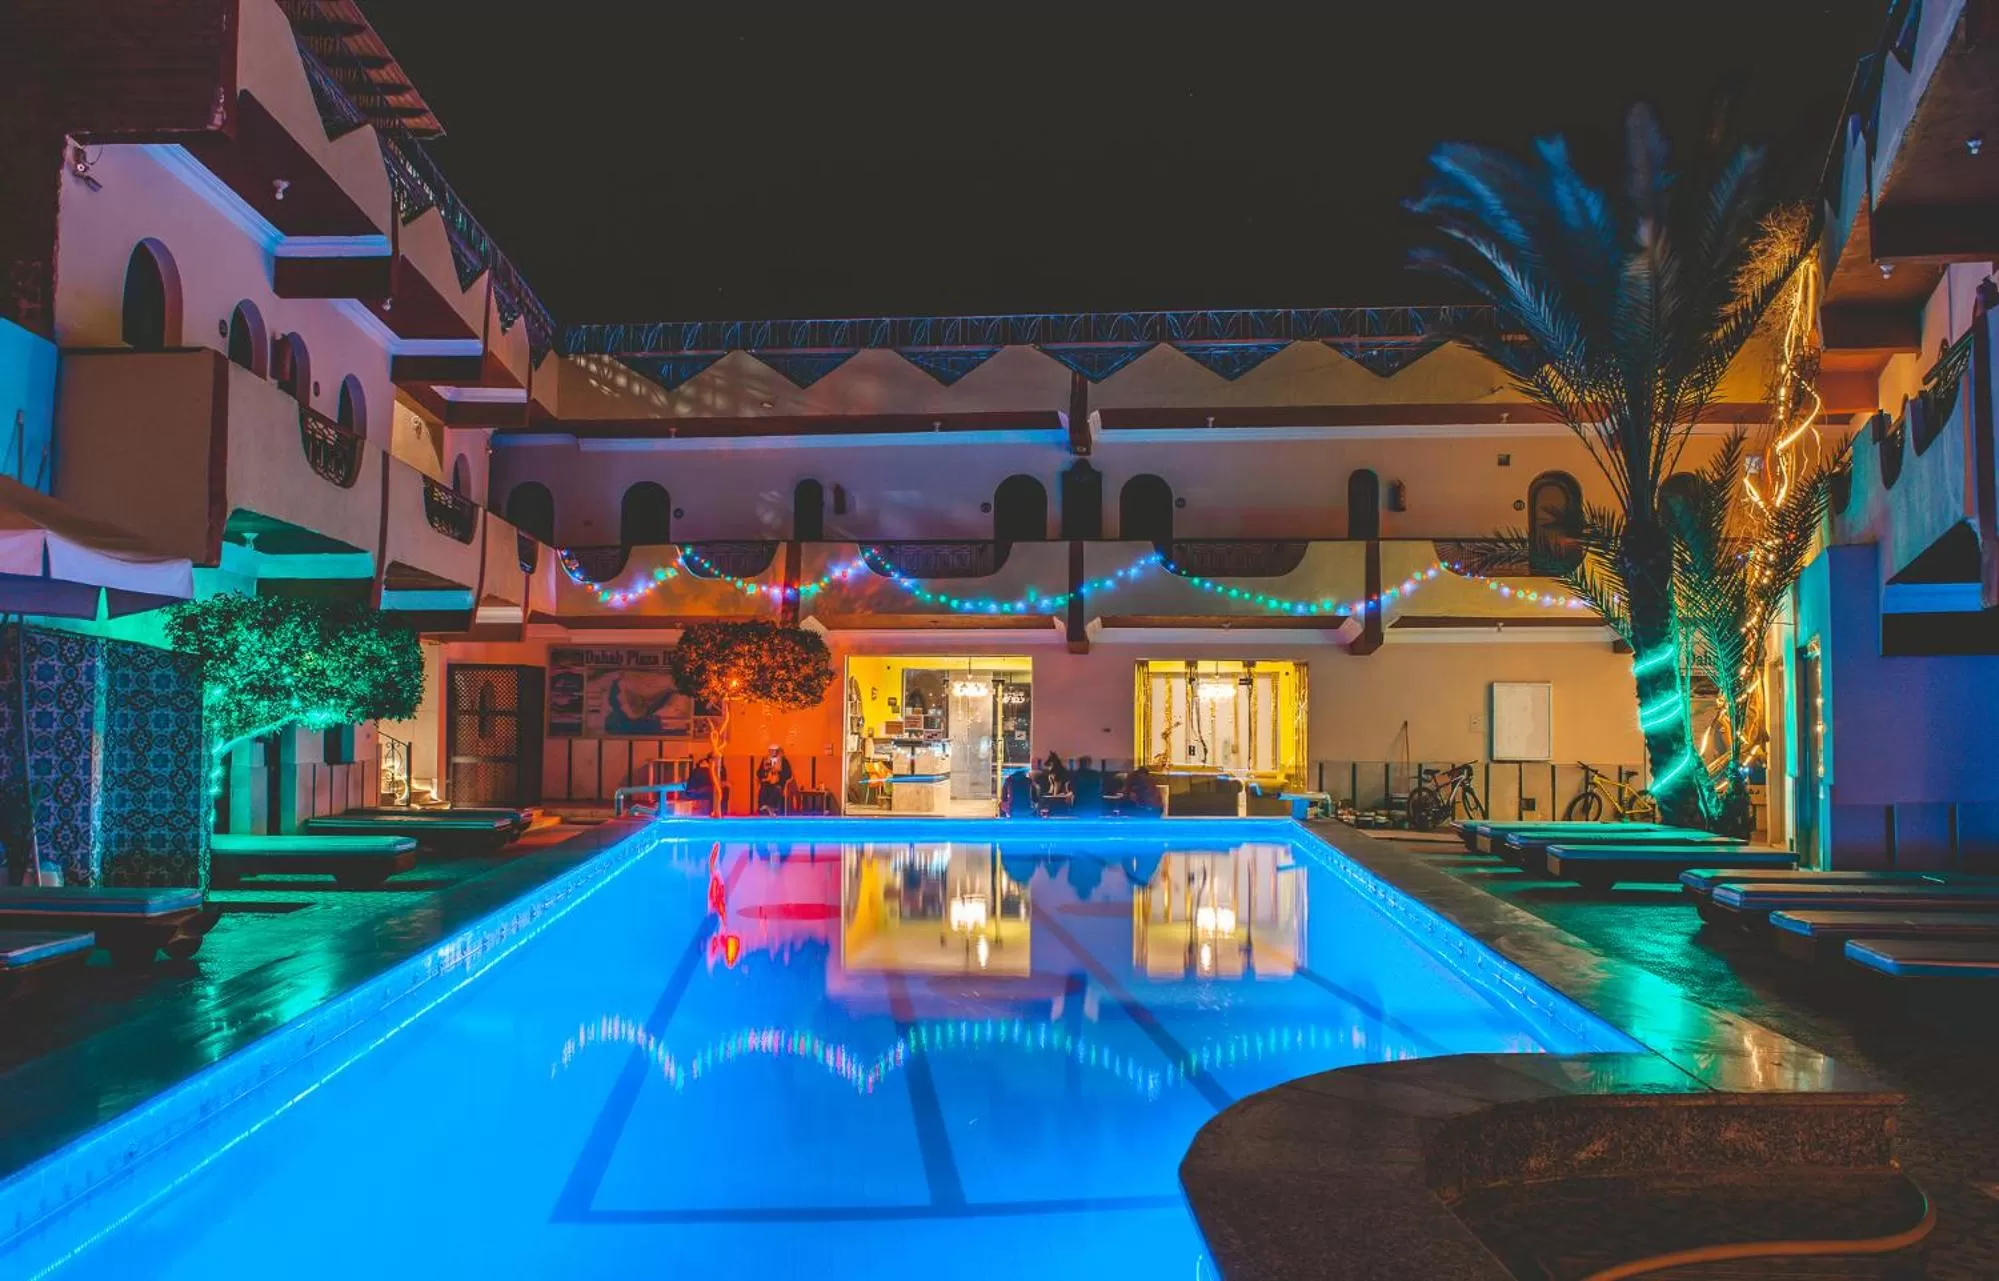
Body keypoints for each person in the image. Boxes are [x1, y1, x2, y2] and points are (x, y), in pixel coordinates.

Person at [756, 744, 793, 815]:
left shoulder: (784, 761)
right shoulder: (765, 760)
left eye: (774, 751)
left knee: (776, 789)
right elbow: (758, 773)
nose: (772, 752)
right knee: (763, 788)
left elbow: (788, 774)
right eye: (771, 750)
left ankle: (771, 808)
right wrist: (764, 772)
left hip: (778, 782)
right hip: (767, 782)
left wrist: (778, 772)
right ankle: (764, 807)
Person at [685, 752, 720, 817]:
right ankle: (713, 811)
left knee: (715, 790)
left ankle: (714, 811)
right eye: (705, 763)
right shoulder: (702, 771)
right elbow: (707, 782)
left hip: (692, 792)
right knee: (714, 790)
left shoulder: (698, 771)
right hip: (694, 792)